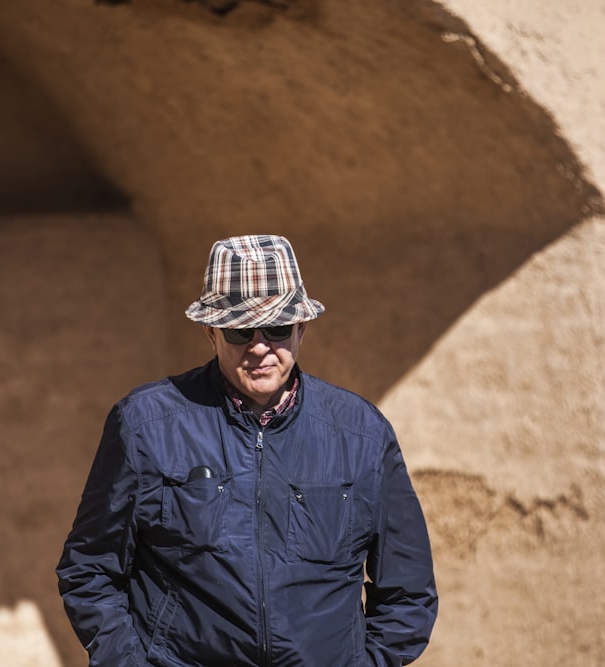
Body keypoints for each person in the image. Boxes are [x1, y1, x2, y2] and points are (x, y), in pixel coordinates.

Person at [57, 234, 437, 667]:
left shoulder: (362, 434)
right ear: (211, 334)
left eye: (276, 328)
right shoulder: (144, 426)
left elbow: (408, 593)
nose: (259, 347)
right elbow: (88, 572)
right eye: (239, 330)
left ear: (301, 329)